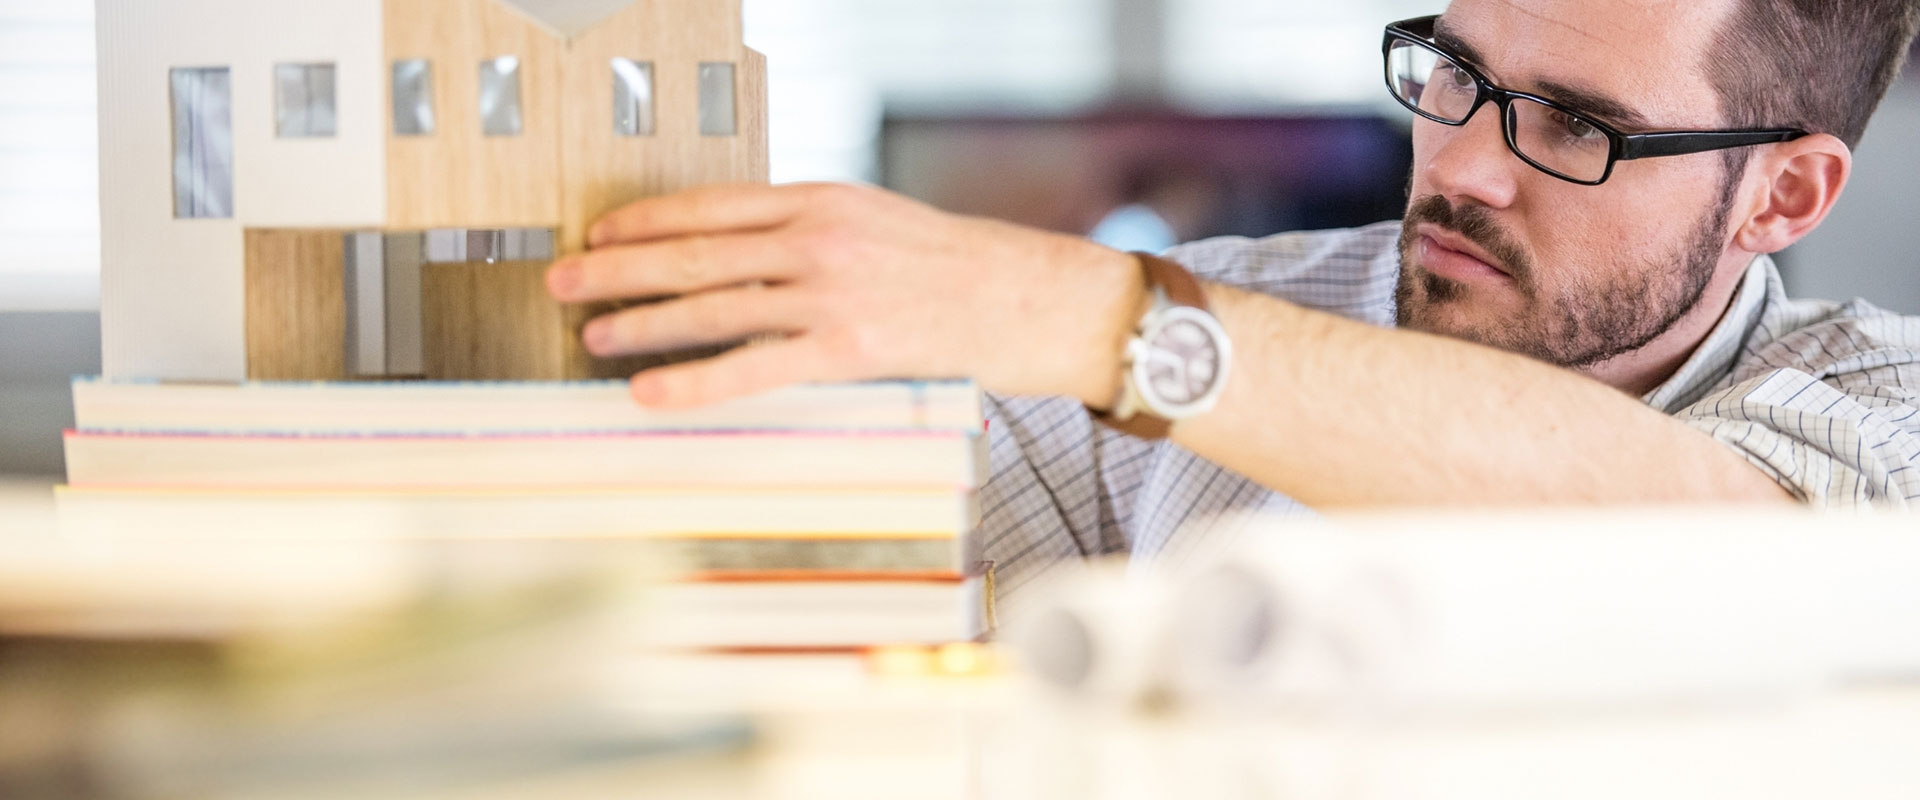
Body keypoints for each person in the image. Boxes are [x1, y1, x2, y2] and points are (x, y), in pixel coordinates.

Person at [544, 0, 1920, 595]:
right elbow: (828, 559)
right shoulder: (1191, 313)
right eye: (1458, 77)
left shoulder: (1881, 408)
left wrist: (1104, 324)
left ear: (1783, 199)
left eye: (1574, 126)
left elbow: (1724, 542)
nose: (1463, 166)